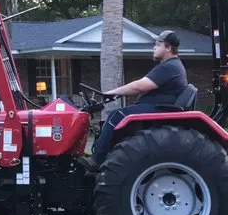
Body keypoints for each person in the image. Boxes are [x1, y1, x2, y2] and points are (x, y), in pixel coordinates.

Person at [81, 30, 188, 169]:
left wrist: (111, 93)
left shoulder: (170, 66)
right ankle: (108, 157)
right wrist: (115, 94)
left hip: (159, 108)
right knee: (118, 115)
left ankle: (96, 160)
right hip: (158, 106)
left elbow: (140, 86)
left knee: (116, 116)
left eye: (157, 44)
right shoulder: (170, 66)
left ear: (168, 47)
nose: (154, 48)